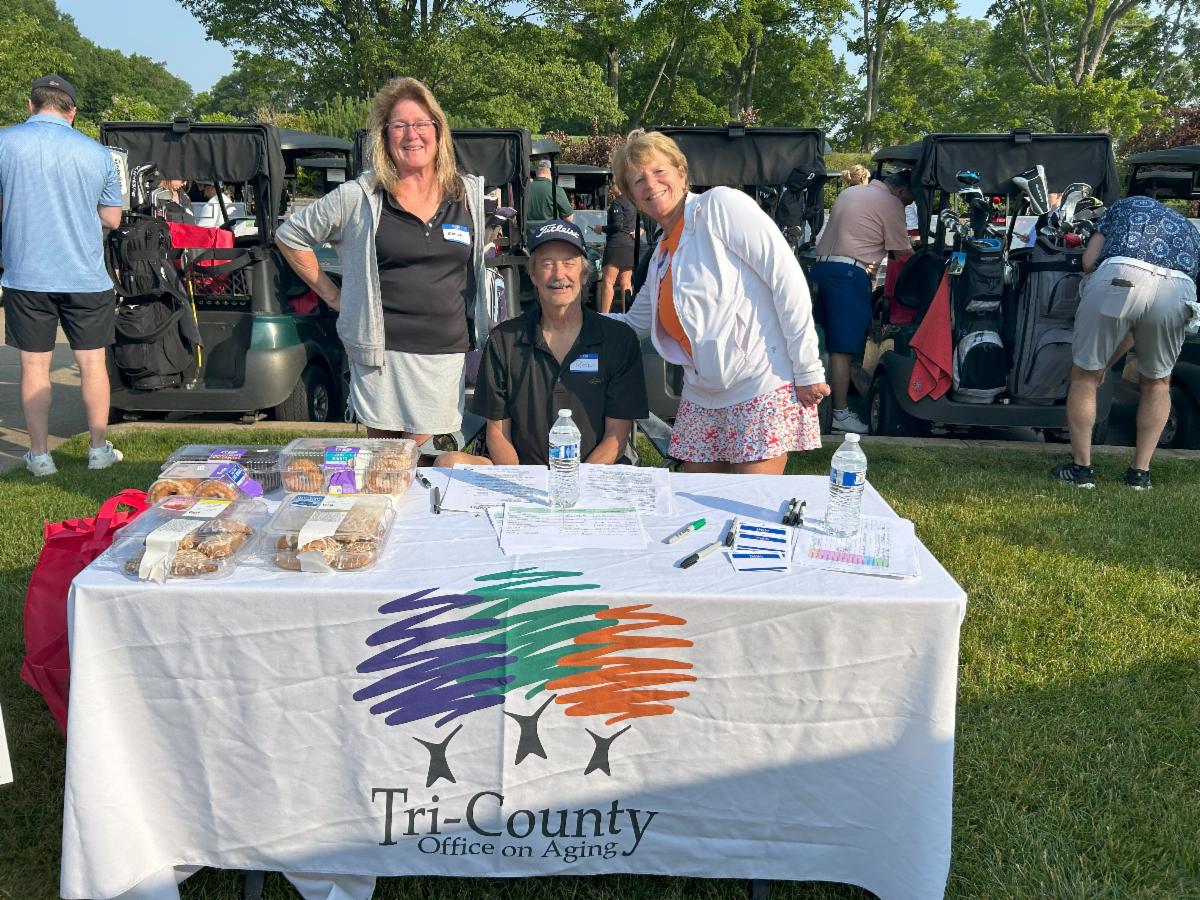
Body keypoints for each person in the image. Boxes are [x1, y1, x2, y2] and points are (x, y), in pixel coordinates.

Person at [276, 76, 489, 449]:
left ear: (438, 131)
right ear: (385, 136)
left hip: (443, 354)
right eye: (400, 126)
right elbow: (290, 236)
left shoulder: (467, 193)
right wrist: (334, 295)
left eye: (421, 123)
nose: (412, 135)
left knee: (427, 460)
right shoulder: (361, 195)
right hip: (381, 355)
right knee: (384, 465)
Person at [608, 129, 829, 475]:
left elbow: (786, 279)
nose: (650, 184)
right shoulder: (660, 257)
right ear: (633, 198)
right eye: (638, 180)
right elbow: (635, 324)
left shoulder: (721, 206)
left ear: (682, 173)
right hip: (701, 397)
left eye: (659, 171)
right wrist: (568, 317)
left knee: (749, 512)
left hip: (759, 384)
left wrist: (807, 369)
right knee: (696, 506)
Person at [439, 219, 648, 466]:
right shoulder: (504, 342)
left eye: (569, 263)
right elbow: (498, 434)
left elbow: (616, 436)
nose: (559, 275)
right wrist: (522, 488)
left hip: (595, 476)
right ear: (533, 275)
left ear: (583, 274)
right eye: (547, 264)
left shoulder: (618, 340)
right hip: (523, 476)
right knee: (446, 462)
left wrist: (571, 486)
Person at [0, 74, 124, 476]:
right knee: (92, 364)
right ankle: (98, 448)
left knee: (34, 367)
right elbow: (112, 217)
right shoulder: (98, 154)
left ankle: (39, 455)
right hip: (85, 275)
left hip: (26, 275)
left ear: (31, 104)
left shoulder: (5, 142)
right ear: (72, 111)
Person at [1052, 195, 1199, 490]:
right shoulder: (1189, 230)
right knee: (1157, 382)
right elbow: (1138, 322)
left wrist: (1100, 366)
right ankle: (1140, 474)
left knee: (1085, 376)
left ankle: (1082, 471)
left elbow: (1089, 261)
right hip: (1179, 289)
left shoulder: (1123, 206)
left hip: (1121, 273)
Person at [808, 169, 914, 433]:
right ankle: (841, 415)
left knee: (818, 343)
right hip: (849, 274)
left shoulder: (852, 191)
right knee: (842, 349)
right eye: (908, 200)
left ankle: (815, 406)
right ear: (901, 191)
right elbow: (902, 252)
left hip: (820, 268)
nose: (905, 205)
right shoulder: (890, 203)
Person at [595, 181, 637, 313]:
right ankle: (628, 314)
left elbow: (617, 225)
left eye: (612, 185)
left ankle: (604, 315)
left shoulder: (617, 203)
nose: (611, 188)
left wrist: (601, 228)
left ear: (618, 186)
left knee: (608, 282)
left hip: (616, 246)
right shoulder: (633, 203)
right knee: (626, 283)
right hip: (630, 246)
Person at [525, 158, 572, 243]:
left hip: (528, 241)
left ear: (537, 172)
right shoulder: (557, 190)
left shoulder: (524, 190)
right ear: (550, 172)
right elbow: (569, 219)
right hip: (550, 240)